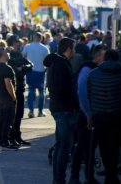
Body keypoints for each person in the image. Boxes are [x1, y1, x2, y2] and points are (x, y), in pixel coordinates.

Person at [68, 45, 107, 184]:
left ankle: (89, 176)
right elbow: (82, 94)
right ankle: (74, 177)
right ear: (96, 57)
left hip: (92, 113)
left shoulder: (97, 69)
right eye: (103, 56)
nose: (105, 60)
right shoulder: (87, 69)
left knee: (91, 146)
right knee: (82, 145)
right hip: (85, 114)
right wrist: (89, 115)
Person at [44, 38, 78, 184]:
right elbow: (62, 89)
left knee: (61, 144)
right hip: (63, 109)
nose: (75, 52)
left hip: (60, 108)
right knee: (65, 145)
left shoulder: (57, 63)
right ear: (68, 49)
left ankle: (58, 178)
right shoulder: (60, 64)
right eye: (74, 49)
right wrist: (75, 103)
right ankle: (59, 179)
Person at [87, 49, 121, 184]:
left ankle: (110, 175)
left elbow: (89, 95)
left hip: (99, 115)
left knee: (103, 146)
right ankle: (111, 177)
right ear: (118, 59)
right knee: (114, 146)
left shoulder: (93, 74)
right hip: (116, 115)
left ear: (104, 59)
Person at [7, 35, 33, 145]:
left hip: (21, 87)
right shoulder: (9, 55)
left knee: (20, 113)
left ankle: (17, 136)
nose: (20, 43)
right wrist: (22, 69)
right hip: (13, 88)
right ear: (14, 43)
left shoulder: (19, 54)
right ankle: (11, 137)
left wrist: (22, 68)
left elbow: (31, 65)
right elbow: (14, 72)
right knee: (13, 114)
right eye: (18, 41)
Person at [0, 47, 18, 150]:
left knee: (1, 119)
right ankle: (5, 141)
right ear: (3, 55)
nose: (8, 54)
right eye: (7, 53)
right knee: (8, 120)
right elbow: (8, 84)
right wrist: (13, 97)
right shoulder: (7, 68)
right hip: (6, 97)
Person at [23, 32, 50, 117]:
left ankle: (31, 111)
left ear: (34, 38)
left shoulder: (27, 46)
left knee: (31, 92)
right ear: (41, 39)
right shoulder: (45, 48)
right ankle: (40, 111)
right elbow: (48, 60)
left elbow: (23, 56)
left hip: (31, 72)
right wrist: (47, 68)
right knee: (42, 93)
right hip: (41, 72)